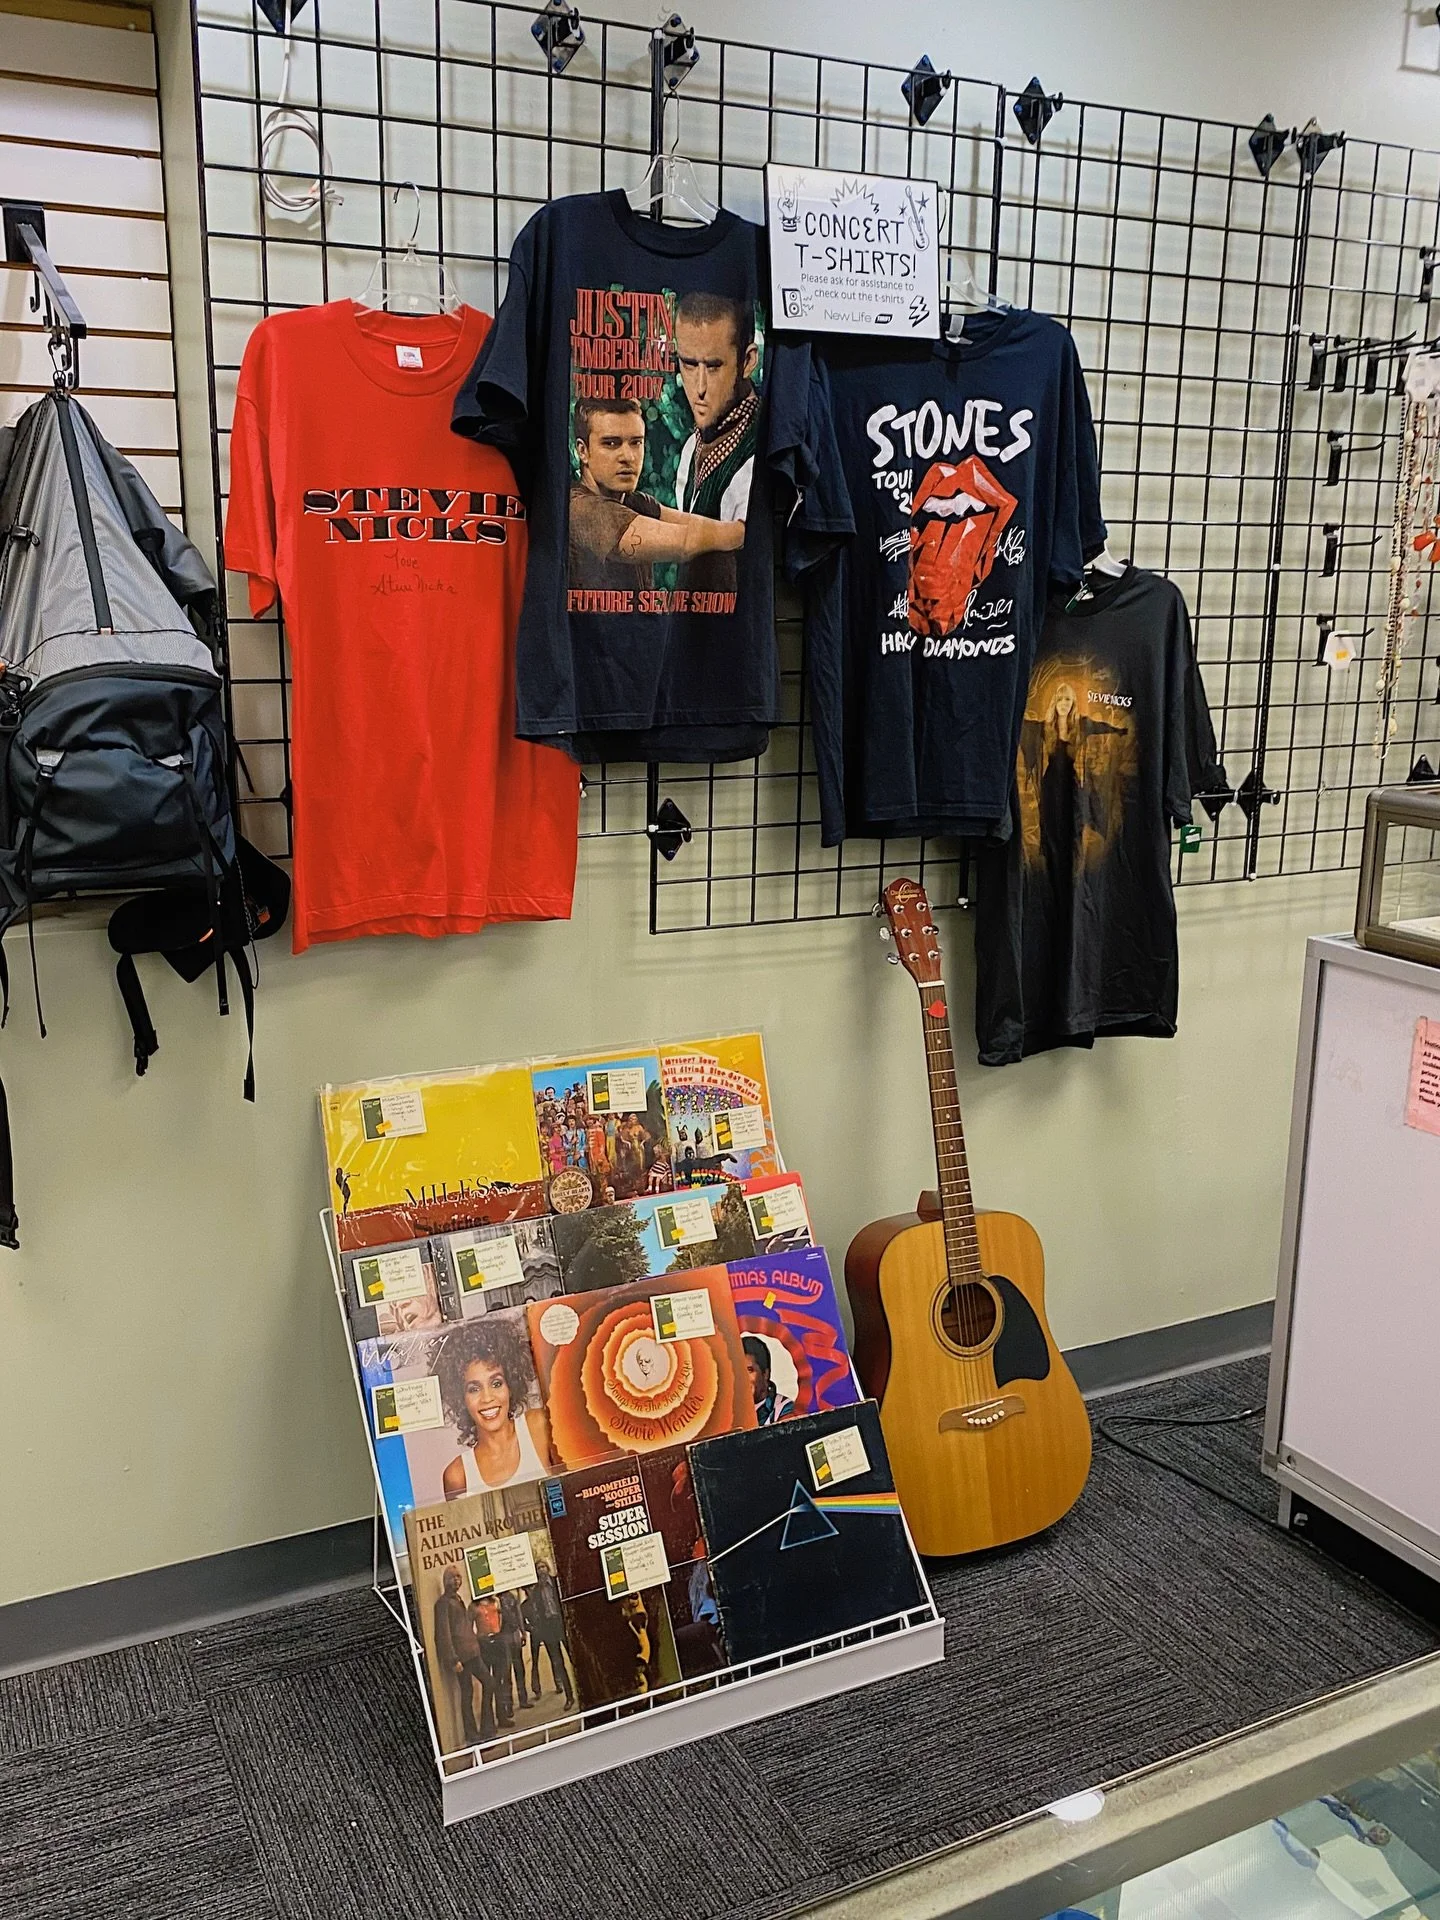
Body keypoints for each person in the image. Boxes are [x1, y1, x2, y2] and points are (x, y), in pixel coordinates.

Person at [567, 396, 743, 594]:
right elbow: (685, 543)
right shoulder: (579, 508)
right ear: (583, 451)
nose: (628, 457)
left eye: (636, 443)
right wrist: (743, 531)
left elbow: (697, 526)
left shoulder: (634, 501)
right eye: (611, 443)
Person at [672, 291, 761, 592]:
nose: (699, 388)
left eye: (713, 366)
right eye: (688, 364)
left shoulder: (758, 456)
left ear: (747, 361)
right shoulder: (692, 448)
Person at [439, 1319, 551, 1498]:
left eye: (496, 1383)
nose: (487, 1398)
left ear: (510, 1385)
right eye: (474, 1389)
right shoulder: (458, 1476)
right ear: (461, 1399)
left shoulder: (538, 1427)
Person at [433, 1565, 493, 1746]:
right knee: (468, 1694)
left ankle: (484, 1731)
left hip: (472, 1652)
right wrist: (453, 1659)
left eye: (459, 1578)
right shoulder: (443, 1603)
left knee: (487, 1685)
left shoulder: (458, 1599)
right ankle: (474, 1735)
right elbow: (443, 1634)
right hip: (461, 1658)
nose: (457, 1581)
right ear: (446, 1581)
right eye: (453, 1578)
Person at [523, 1566, 575, 1707]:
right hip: (548, 1628)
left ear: (548, 1568)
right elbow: (534, 1610)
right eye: (539, 1568)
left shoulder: (556, 1583)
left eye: (543, 1567)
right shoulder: (536, 1591)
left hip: (561, 1623)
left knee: (574, 1657)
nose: (542, 1570)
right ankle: (569, 1696)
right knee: (558, 1663)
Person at [471, 1593, 513, 1731]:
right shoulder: (473, 1606)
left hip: (498, 1641)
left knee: (499, 1680)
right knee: (489, 1684)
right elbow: (469, 1625)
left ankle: (502, 1717)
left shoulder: (495, 1601)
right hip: (483, 1643)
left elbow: (501, 1618)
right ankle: (488, 1723)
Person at [743, 1333, 794, 1424]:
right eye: (738, 1371)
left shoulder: (784, 1408)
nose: (743, 1378)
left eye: (750, 1370)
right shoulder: (729, 1412)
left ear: (765, 1374)